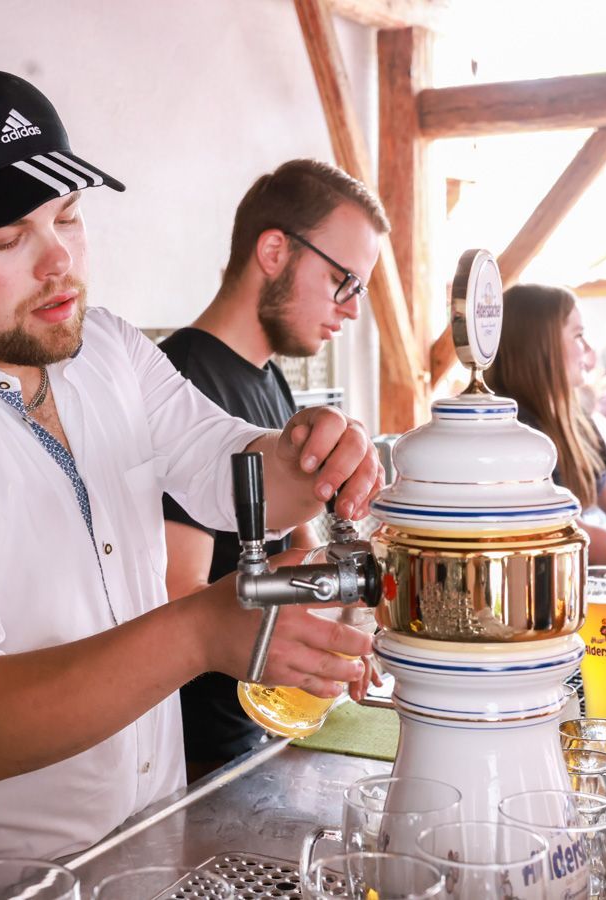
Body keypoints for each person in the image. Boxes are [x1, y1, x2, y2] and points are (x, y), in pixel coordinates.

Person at [0, 69, 385, 860]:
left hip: (146, 846)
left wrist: (306, 455)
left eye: (68, 216)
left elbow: (224, 465)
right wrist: (201, 632)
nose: (58, 262)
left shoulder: (106, 350)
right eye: (8, 239)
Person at [159, 160, 386, 779]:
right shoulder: (181, 382)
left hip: (264, 732)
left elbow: (300, 550)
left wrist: (347, 620)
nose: (352, 310)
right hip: (200, 756)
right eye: (342, 280)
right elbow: (175, 595)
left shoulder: (271, 382)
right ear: (274, 251)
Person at [489, 284, 606, 564]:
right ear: (541, 346)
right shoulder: (512, 431)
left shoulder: (573, 416)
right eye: (578, 335)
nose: (589, 349)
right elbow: (566, 534)